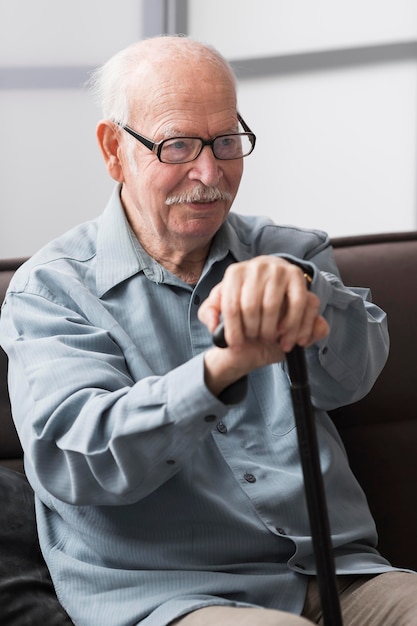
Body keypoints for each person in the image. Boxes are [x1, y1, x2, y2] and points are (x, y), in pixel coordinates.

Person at [0, 35, 416, 626]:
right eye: (177, 145)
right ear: (115, 150)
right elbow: (77, 461)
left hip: (339, 574)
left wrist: (303, 290)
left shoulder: (288, 251)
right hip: (171, 596)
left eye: (225, 141)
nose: (209, 171)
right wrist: (219, 371)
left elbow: (353, 378)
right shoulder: (52, 289)